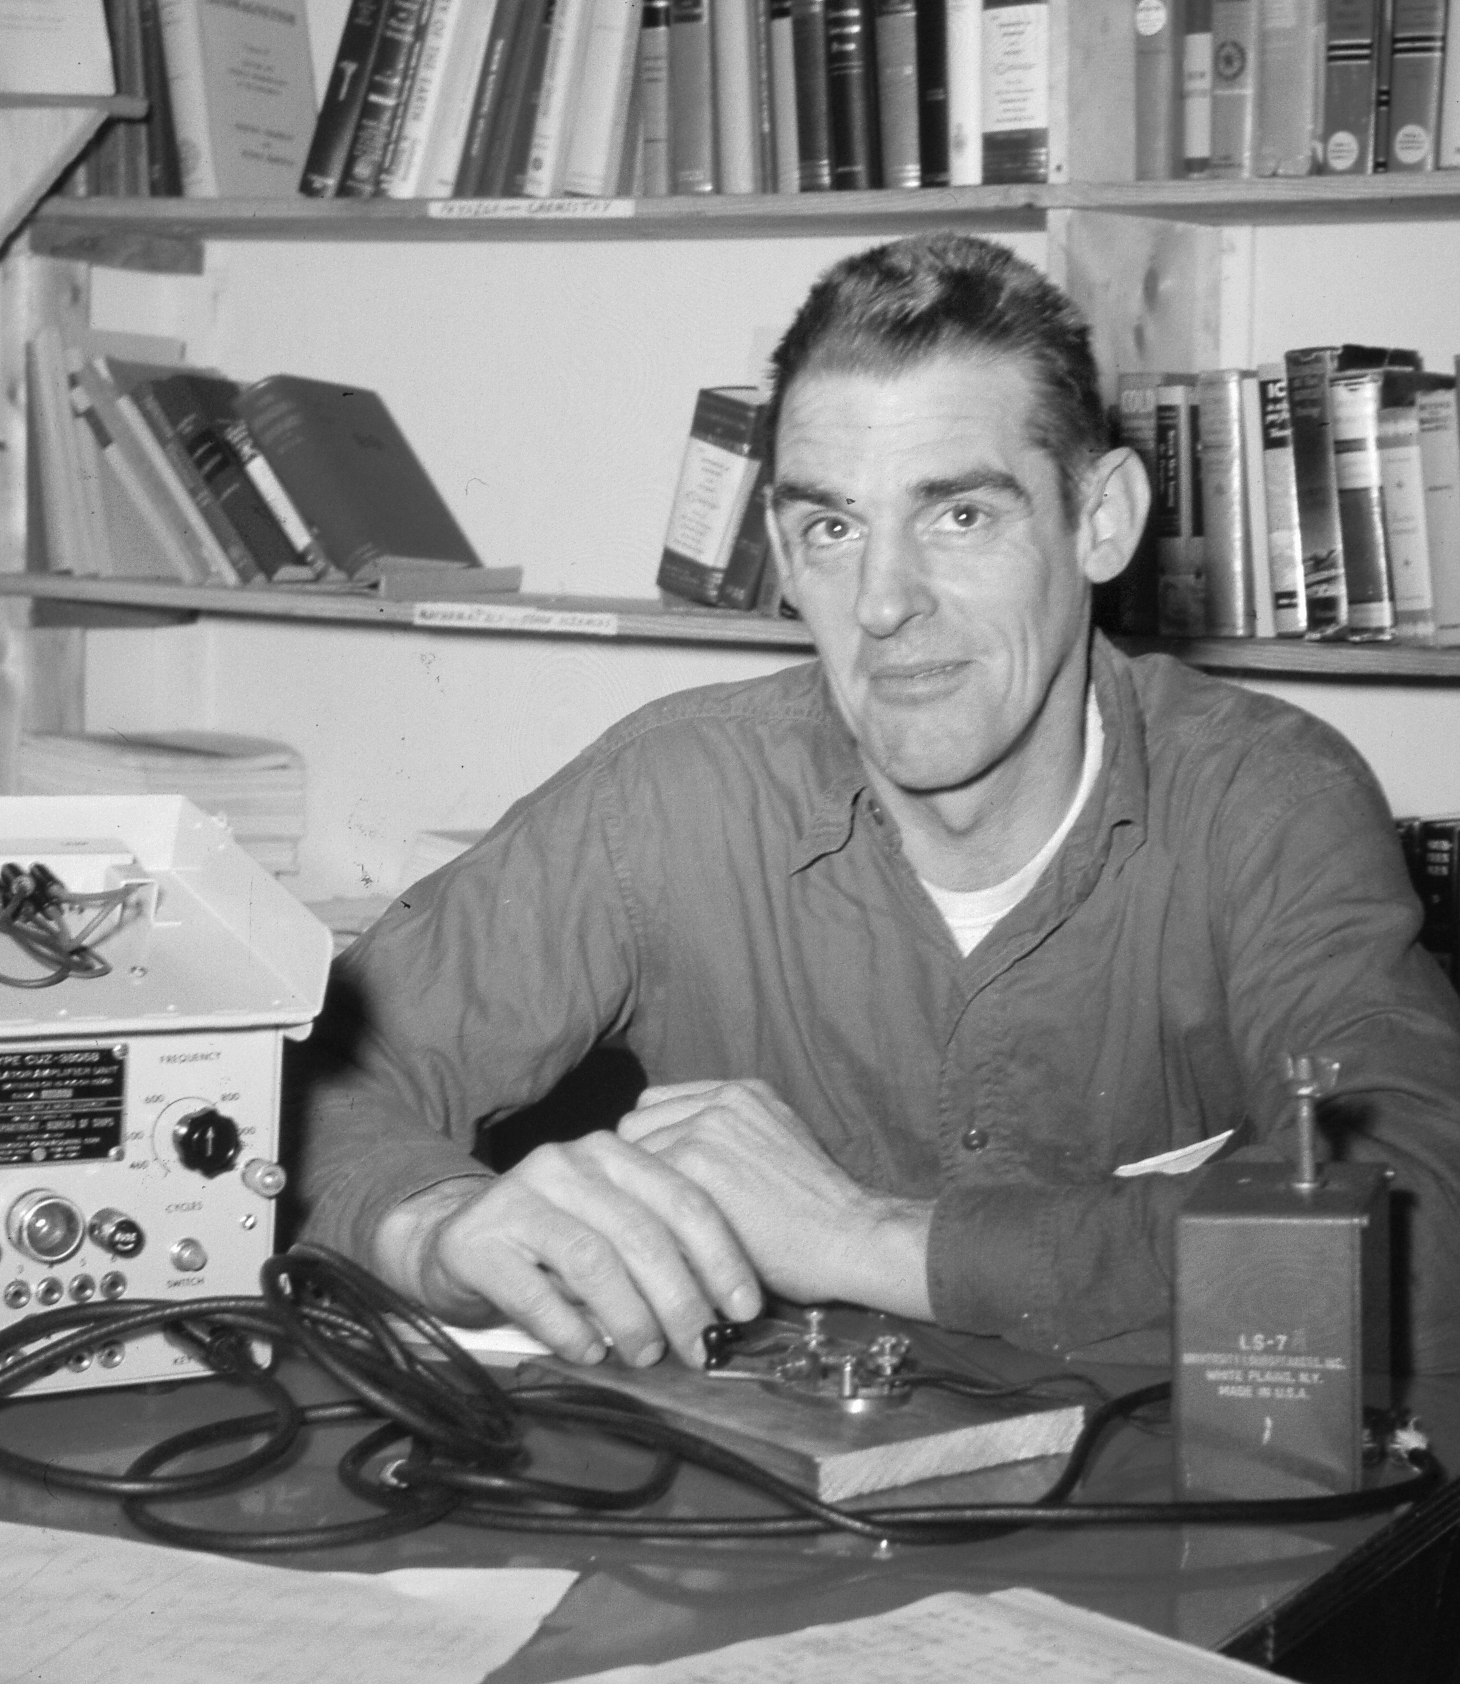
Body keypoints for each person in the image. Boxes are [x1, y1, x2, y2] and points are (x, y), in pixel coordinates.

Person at [295, 232, 1460, 1376]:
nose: (886, 601)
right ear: (780, 556)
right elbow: (316, 1081)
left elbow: (1419, 1227)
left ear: (1098, 520)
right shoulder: (664, 797)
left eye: (960, 515)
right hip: (763, 1529)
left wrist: (859, 1239)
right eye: (833, 527)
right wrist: (436, 1225)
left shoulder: (1265, 802)